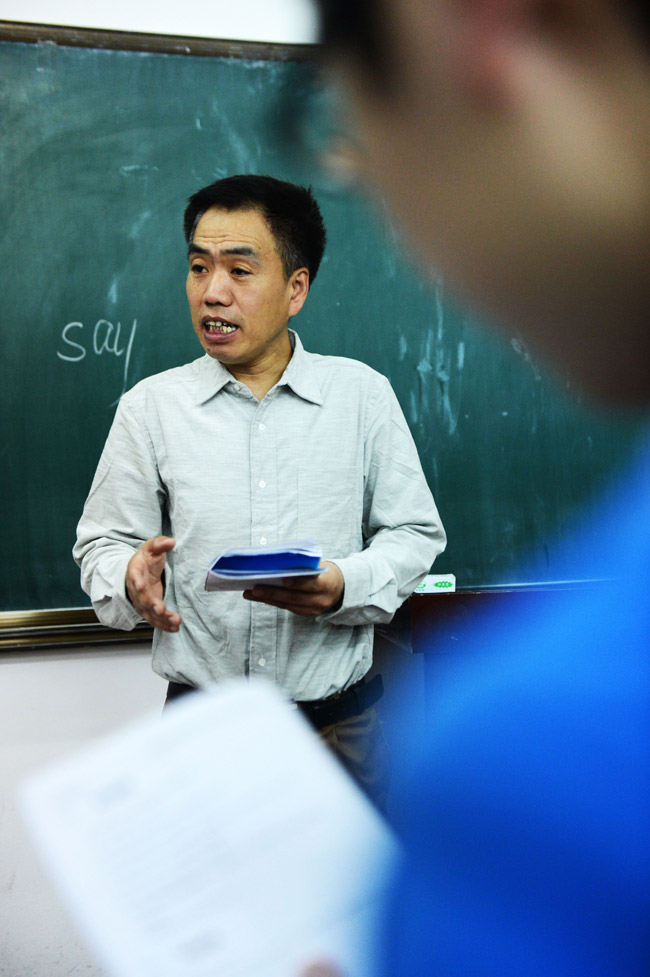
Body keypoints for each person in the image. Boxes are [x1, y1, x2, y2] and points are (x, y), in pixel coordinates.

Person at [306, 0, 650, 973]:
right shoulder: (154, 408)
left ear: (472, 28)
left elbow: (414, 536)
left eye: (345, 126)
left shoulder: (528, 762)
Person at [73, 174, 446, 807]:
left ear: (296, 287)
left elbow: (415, 534)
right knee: (205, 907)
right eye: (198, 267)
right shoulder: (151, 408)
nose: (212, 293)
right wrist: (129, 575)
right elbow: (103, 544)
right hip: (201, 737)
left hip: (341, 731)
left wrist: (343, 587)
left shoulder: (361, 396)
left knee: (352, 905)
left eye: (239, 272)